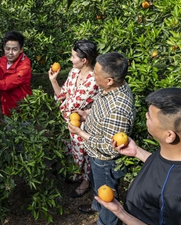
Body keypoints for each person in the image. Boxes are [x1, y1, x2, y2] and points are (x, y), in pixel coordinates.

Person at [96, 87, 181, 225]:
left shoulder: (174, 192)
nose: (146, 116)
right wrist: (137, 152)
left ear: (169, 135)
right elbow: (163, 169)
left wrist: (120, 212)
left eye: (150, 116)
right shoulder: (172, 153)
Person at [68, 52, 136, 225]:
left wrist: (81, 133)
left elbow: (108, 146)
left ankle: (106, 221)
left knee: (108, 197)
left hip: (104, 159)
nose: (93, 76)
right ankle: (96, 206)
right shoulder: (110, 89)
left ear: (110, 80)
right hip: (94, 152)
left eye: (96, 74)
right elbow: (101, 109)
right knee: (98, 186)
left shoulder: (118, 108)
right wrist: (87, 114)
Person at [48, 40, 99, 198]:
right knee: (72, 150)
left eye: (73, 56)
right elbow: (62, 96)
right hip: (70, 121)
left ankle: (86, 183)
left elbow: (70, 103)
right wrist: (53, 80)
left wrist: (68, 100)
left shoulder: (93, 81)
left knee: (85, 154)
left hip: (83, 125)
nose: (70, 59)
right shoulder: (73, 72)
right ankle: (76, 175)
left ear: (84, 60)